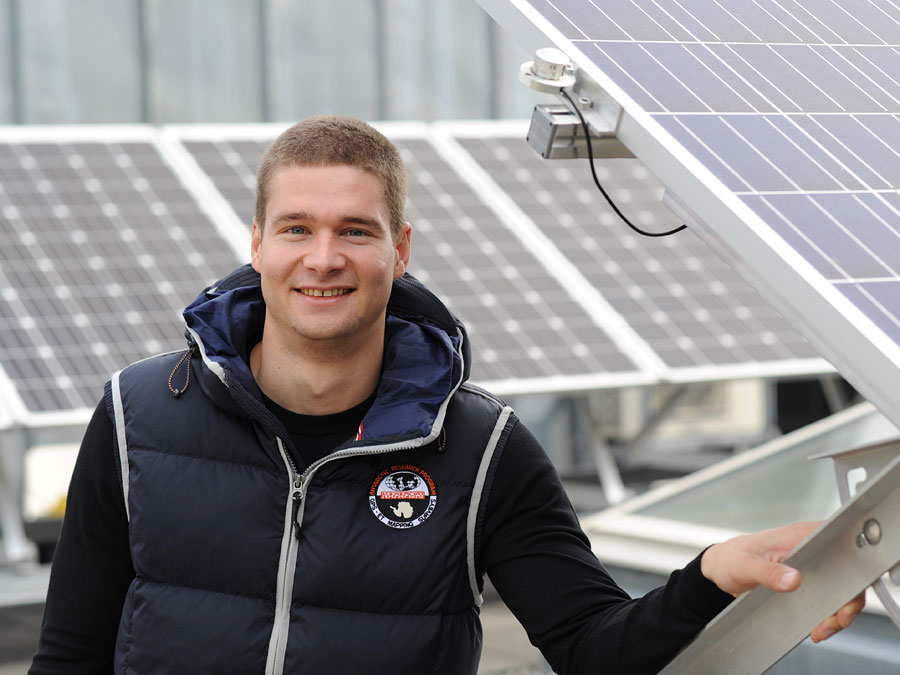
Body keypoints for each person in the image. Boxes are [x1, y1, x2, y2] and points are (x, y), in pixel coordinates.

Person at [30, 115, 863, 674]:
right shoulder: (141, 414)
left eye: (356, 230)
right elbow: (69, 652)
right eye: (296, 229)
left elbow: (592, 646)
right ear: (257, 244)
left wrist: (713, 572)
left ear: (401, 249)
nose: (324, 258)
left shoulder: (482, 448)